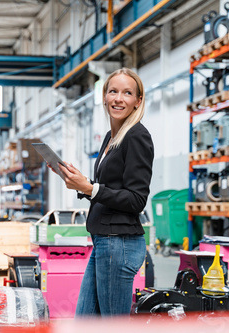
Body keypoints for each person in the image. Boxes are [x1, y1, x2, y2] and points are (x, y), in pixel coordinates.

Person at [53, 68, 154, 316]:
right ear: (105, 97)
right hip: (104, 241)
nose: (118, 98)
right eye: (113, 91)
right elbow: (108, 191)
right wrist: (79, 182)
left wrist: (91, 188)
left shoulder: (137, 135)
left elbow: (136, 200)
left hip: (119, 242)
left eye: (127, 93)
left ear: (137, 101)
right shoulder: (111, 137)